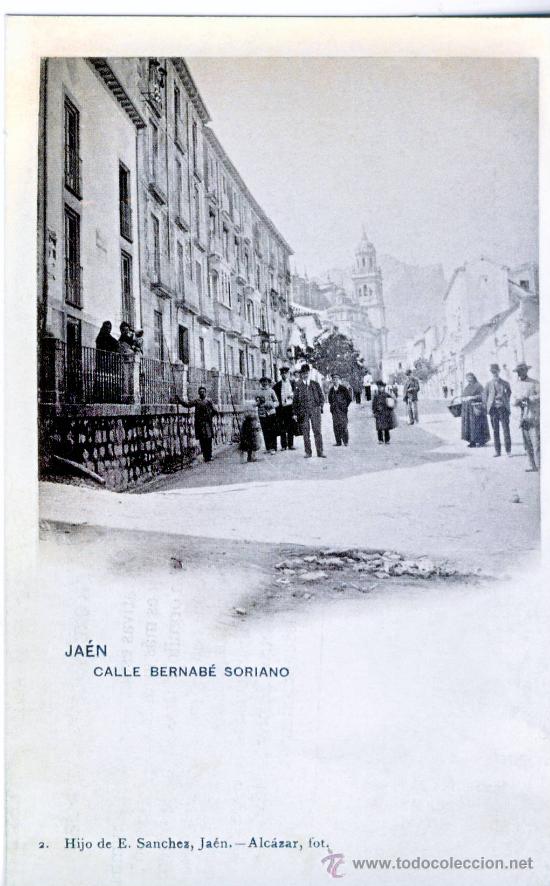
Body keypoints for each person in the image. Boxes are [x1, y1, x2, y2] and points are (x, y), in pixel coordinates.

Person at [293, 363, 326, 458]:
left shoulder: (315, 384)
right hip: (303, 412)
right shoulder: (298, 386)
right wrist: (295, 413)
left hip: (315, 410)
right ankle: (308, 452)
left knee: (317, 431)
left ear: (309, 373)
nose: (305, 375)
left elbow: (321, 397)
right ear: (301, 374)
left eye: (306, 373)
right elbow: (295, 401)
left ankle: (320, 452)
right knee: (305, 432)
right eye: (303, 373)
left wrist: (320, 406)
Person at [513, 362, 540, 472]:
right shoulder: (516, 384)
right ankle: (532, 465)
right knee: (527, 443)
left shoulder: (534, 383)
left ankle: (540, 466)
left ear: (526, 370)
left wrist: (529, 399)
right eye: (518, 371)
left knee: (536, 443)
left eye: (522, 370)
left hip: (532, 415)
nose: (520, 373)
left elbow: (541, 395)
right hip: (522, 417)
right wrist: (516, 402)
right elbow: (513, 398)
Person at [179, 386, 218, 463]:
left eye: (203, 392)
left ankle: (209, 456)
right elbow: (187, 405)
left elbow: (215, 411)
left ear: (205, 393)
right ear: (198, 393)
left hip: (207, 424)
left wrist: (209, 416)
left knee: (208, 440)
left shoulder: (209, 401)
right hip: (200, 424)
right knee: (202, 440)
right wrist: (180, 401)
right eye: (200, 392)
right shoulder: (197, 401)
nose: (202, 393)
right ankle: (205, 456)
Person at [485, 363, 512, 457]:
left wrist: (504, 400)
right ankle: (497, 451)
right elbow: (485, 396)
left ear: (499, 371)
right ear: (491, 373)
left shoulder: (505, 383)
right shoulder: (488, 384)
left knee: (506, 430)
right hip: (493, 410)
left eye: (495, 371)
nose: (494, 373)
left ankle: (508, 451)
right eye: (492, 372)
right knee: (495, 431)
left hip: (503, 409)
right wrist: (488, 406)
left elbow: (509, 393)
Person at [461, 372, 490, 448]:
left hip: (476, 408)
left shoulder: (478, 386)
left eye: (470, 377)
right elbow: (464, 395)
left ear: (473, 377)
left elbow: (483, 396)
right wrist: (463, 398)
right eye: (467, 378)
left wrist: (473, 397)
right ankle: (472, 441)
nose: (469, 379)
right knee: (469, 426)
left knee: (477, 425)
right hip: (468, 410)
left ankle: (481, 441)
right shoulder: (467, 387)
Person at [272, 366, 296, 450]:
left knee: (290, 426)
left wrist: (292, 396)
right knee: (282, 426)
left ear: (288, 374)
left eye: (286, 373)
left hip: (290, 408)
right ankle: (283, 445)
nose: (284, 375)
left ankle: (291, 444)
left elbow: (296, 394)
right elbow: (274, 397)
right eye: (282, 374)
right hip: (281, 408)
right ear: (280, 375)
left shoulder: (292, 383)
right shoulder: (277, 385)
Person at [328, 371, 353, 446]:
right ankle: (338, 442)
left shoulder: (343, 388)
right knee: (336, 426)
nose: (335, 380)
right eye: (333, 379)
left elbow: (349, 399)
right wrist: (333, 406)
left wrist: (344, 406)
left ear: (339, 380)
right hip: (335, 411)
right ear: (332, 380)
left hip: (342, 410)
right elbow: (329, 400)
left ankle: (346, 441)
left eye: (336, 379)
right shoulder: (331, 390)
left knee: (343, 425)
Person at [256, 377, 279, 454]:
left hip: (271, 413)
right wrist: (258, 403)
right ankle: (268, 447)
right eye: (262, 382)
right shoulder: (258, 392)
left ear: (268, 383)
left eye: (265, 382)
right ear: (261, 383)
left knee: (272, 431)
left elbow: (277, 402)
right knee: (265, 431)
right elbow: (256, 402)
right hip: (262, 414)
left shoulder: (271, 391)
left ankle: (273, 448)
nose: (264, 383)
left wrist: (271, 405)